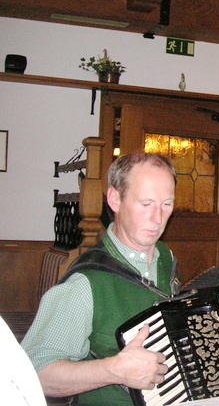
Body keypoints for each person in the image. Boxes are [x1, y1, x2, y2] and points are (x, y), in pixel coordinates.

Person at [22, 152, 179, 405]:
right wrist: (114, 370)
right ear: (115, 199)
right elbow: (35, 373)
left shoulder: (166, 258)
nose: (158, 218)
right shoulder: (85, 283)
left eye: (166, 204)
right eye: (146, 203)